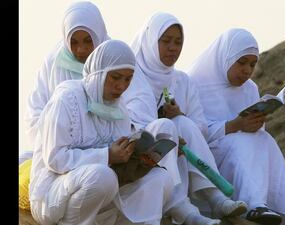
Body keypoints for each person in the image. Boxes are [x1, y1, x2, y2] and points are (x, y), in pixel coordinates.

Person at [29, 39, 182, 225]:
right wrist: (106, 155)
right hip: (51, 194)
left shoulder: (120, 108)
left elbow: (118, 163)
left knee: (160, 178)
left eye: (128, 79)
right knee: (103, 176)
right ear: (99, 73)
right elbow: (55, 159)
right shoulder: (67, 99)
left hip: (101, 192)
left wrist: (139, 157)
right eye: (115, 77)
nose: (121, 86)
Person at [130, 12, 247, 225]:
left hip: (181, 152)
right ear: (149, 42)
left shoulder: (182, 81)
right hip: (143, 154)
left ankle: (216, 198)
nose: (173, 48)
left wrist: (180, 115)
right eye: (166, 41)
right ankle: (187, 209)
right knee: (168, 126)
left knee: (183, 123)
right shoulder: (130, 77)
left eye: (178, 42)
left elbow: (201, 129)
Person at [187, 28, 285, 225]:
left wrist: (256, 122)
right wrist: (235, 125)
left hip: (242, 156)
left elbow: (257, 135)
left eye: (252, 64)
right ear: (225, 57)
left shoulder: (250, 88)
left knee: (264, 140)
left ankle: (282, 211)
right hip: (208, 158)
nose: (247, 71)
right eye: (241, 63)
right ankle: (252, 205)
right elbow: (192, 132)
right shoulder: (194, 82)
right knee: (243, 140)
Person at [25, 1, 110, 145]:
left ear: (98, 36)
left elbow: (133, 111)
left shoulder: (115, 58)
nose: (81, 49)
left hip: (109, 146)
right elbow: (34, 117)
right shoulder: (53, 63)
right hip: (59, 147)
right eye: (74, 42)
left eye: (88, 41)